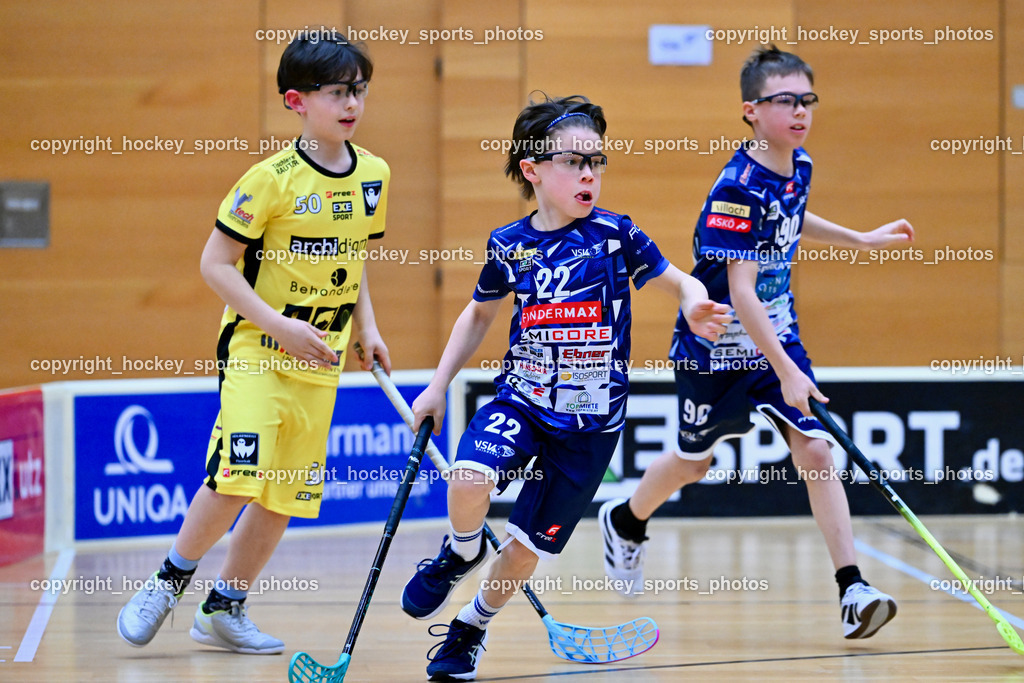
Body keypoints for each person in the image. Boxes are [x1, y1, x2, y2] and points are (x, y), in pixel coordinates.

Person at [403, 94, 731, 681]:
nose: (589, 174)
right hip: (523, 400)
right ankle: (460, 547)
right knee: (469, 477)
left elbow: (678, 280)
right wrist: (436, 385)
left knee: (528, 548)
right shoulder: (509, 244)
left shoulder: (616, 235)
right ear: (532, 170)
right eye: (573, 162)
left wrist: (695, 300)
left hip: (590, 429)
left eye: (597, 162)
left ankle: (469, 628)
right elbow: (478, 315)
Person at [599, 45, 914, 640]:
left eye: (807, 100)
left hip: (777, 339)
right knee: (695, 463)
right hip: (715, 347)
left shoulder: (799, 166)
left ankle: (852, 588)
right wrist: (790, 374)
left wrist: (860, 239)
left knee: (817, 451)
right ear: (751, 110)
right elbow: (741, 290)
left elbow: (794, 218)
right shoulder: (736, 188)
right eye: (785, 101)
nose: (800, 112)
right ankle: (625, 518)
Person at [116, 31, 391, 654]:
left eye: (360, 91)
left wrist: (367, 328)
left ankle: (224, 608)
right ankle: (168, 580)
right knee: (241, 474)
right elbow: (215, 264)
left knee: (285, 489)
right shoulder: (269, 180)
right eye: (338, 92)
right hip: (259, 350)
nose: (352, 104)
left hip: (321, 360)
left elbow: (353, 260)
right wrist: (280, 326)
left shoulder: (374, 173)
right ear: (296, 101)